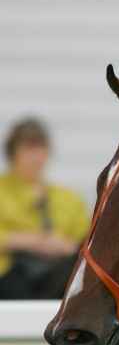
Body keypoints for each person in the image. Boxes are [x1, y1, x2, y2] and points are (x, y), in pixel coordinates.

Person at [0, 118, 89, 300]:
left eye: (40, 149)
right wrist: (32, 241)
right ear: (12, 154)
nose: (35, 157)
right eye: (28, 149)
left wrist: (63, 247)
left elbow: (87, 243)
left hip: (56, 277)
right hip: (9, 277)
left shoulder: (69, 198)